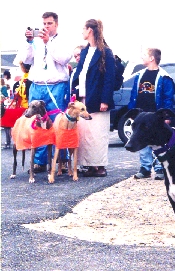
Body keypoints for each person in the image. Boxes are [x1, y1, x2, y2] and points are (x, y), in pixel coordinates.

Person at [20, 11, 72, 173]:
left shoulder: (62, 40)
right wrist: (29, 42)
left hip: (56, 86)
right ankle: (39, 161)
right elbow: (26, 60)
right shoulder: (37, 41)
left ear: (56, 24)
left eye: (49, 23)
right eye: (44, 24)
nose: (46, 26)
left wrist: (48, 42)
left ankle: (61, 159)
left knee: (57, 121)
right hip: (37, 85)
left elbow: (64, 59)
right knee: (37, 123)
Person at [71, 19, 115, 177]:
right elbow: (79, 73)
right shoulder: (84, 52)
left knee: (98, 134)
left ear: (90, 30)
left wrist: (105, 100)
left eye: (83, 28)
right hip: (83, 100)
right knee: (85, 134)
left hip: (98, 99)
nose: (82, 32)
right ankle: (89, 166)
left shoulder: (106, 52)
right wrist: (73, 91)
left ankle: (100, 166)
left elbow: (109, 78)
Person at [127, 48, 175, 180]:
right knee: (141, 139)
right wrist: (132, 112)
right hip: (142, 114)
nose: (142, 58)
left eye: (144, 55)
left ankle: (160, 168)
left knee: (158, 141)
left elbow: (168, 97)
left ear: (152, 58)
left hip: (155, 116)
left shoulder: (164, 77)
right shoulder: (140, 75)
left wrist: (166, 116)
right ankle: (145, 168)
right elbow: (134, 94)